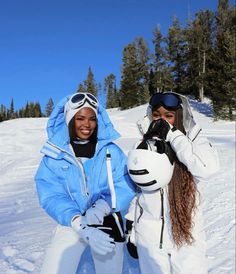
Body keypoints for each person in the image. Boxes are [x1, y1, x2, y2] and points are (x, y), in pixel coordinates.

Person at [35, 92, 135, 274]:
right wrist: (77, 221)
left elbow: (125, 182)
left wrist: (103, 207)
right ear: (69, 119)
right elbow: (51, 194)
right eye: (80, 118)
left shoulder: (111, 151)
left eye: (92, 119)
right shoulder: (55, 156)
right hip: (72, 223)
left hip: (107, 220)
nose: (87, 124)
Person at [125, 92, 219, 274]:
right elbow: (137, 190)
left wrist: (174, 137)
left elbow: (208, 168)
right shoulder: (143, 144)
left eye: (169, 116)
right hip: (149, 237)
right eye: (157, 116)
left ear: (179, 117)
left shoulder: (193, 141)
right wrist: (132, 225)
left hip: (186, 237)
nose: (162, 121)